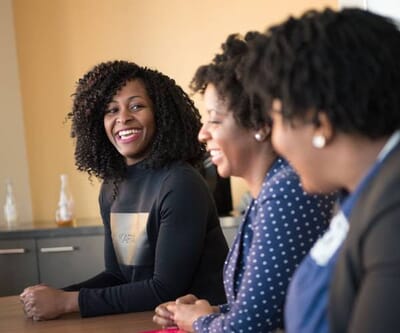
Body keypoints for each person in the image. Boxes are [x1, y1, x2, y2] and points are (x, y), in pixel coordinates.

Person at [153, 33, 336, 333]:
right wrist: (211, 310)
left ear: (259, 124)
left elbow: (248, 328)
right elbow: (271, 307)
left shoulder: (285, 190)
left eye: (214, 119)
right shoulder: (270, 190)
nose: (202, 134)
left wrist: (198, 320)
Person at [19, 60, 228, 320]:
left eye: (137, 106)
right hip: (141, 319)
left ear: (160, 114)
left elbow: (165, 288)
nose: (123, 118)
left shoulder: (180, 183)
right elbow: (117, 276)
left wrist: (67, 302)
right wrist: (57, 295)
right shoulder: (112, 186)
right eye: (111, 110)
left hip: (199, 325)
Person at [243, 8, 400, 333]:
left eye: (275, 120)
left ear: (320, 123)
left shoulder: (393, 204)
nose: (274, 138)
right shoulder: (362, 194)